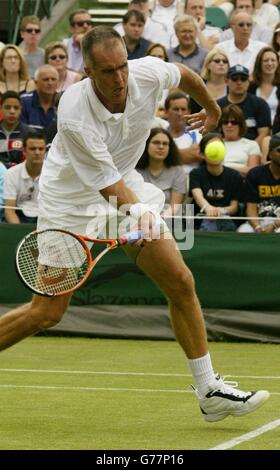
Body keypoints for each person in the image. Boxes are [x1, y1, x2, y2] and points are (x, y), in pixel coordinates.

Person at [0, 26, 269, 422]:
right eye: (107, 72)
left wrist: (210, 106)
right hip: (71, 203)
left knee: (180, 281)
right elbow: (108, 187)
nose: (120, 79)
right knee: (48, 312)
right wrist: (142, 213)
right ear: (88, 72)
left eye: (123, 66)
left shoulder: (146, 72)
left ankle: (209, 389)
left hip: (124, 184)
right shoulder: (75, 113)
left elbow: (181, 72)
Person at [190, 132, 243, 231]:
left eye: (219, 146)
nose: (216, 149)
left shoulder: (234, 176)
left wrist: (220, 211)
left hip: (226, 219)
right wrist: (208, 208)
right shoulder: (196, 174)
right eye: (211, 146)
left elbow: (234, 207)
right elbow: (198, 196)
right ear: (202, 154)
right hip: (202, 219)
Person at [217, 64, 271, 147]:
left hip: (252, 151)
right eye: (235, 79)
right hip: (223, 149)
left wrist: (249, 150)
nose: (239, 82)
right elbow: (213, 134)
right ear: (226, 81)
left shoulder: (260, 104)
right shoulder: (217, 106)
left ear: (248, 82)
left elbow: (264, 134)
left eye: (243, 79)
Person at [136, 127, 186, 216]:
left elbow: (175, 207)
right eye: (156, 143)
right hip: (138, 218)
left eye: (165, 144)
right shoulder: (135, 171)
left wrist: (158, 219)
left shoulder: (178, 172)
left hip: (167, 220)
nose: (161, 147)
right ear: (146, 144)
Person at [238, 131, 280, 233]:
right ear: (270, 153)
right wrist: (257, 227)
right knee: (244, 231)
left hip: (278, 223)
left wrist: (274, 225)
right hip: (258, 220)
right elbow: (251, 207)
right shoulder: (255, 174)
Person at [3, 131, 46, 224]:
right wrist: (20, 233)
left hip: (44, 217)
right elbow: (9, 211)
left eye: (41, 149)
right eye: (32, 148)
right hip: (19, 217)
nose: (37, 152)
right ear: (24, 151)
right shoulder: (11, 173)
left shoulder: (53, 174)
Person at [218, 104, 262, 175]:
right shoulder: (215, 143)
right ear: (221, 125)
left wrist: (224, 168)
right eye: (225, 122)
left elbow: (253, 172)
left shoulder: (252, 144)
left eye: (234, 122)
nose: (229, 125)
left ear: (241, 125)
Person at [0, 91, 34, 168]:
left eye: (16, 108)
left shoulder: (30, 133)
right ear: (1, 108)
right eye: (8, 107)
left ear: (20, 109)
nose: (12, 111)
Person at [20, 64, 59, 131]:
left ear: (57, 83)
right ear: (36, 82)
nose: (50, 83)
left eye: (53, 79)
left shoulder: (63, 102)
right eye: (46, 79)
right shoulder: (23, 101)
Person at [249, 47, 280, 124]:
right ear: (259, 63)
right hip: (255, 131)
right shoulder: (251, 87)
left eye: (273, 60)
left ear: (277, 63)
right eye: (265, 60)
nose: (269, 63)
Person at [62, 9, 93, 74]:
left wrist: (84, 42)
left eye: (88, 23)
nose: (85, 26)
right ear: (71, 28)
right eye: (80, 24)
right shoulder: (64, 45)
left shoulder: (96, 45)